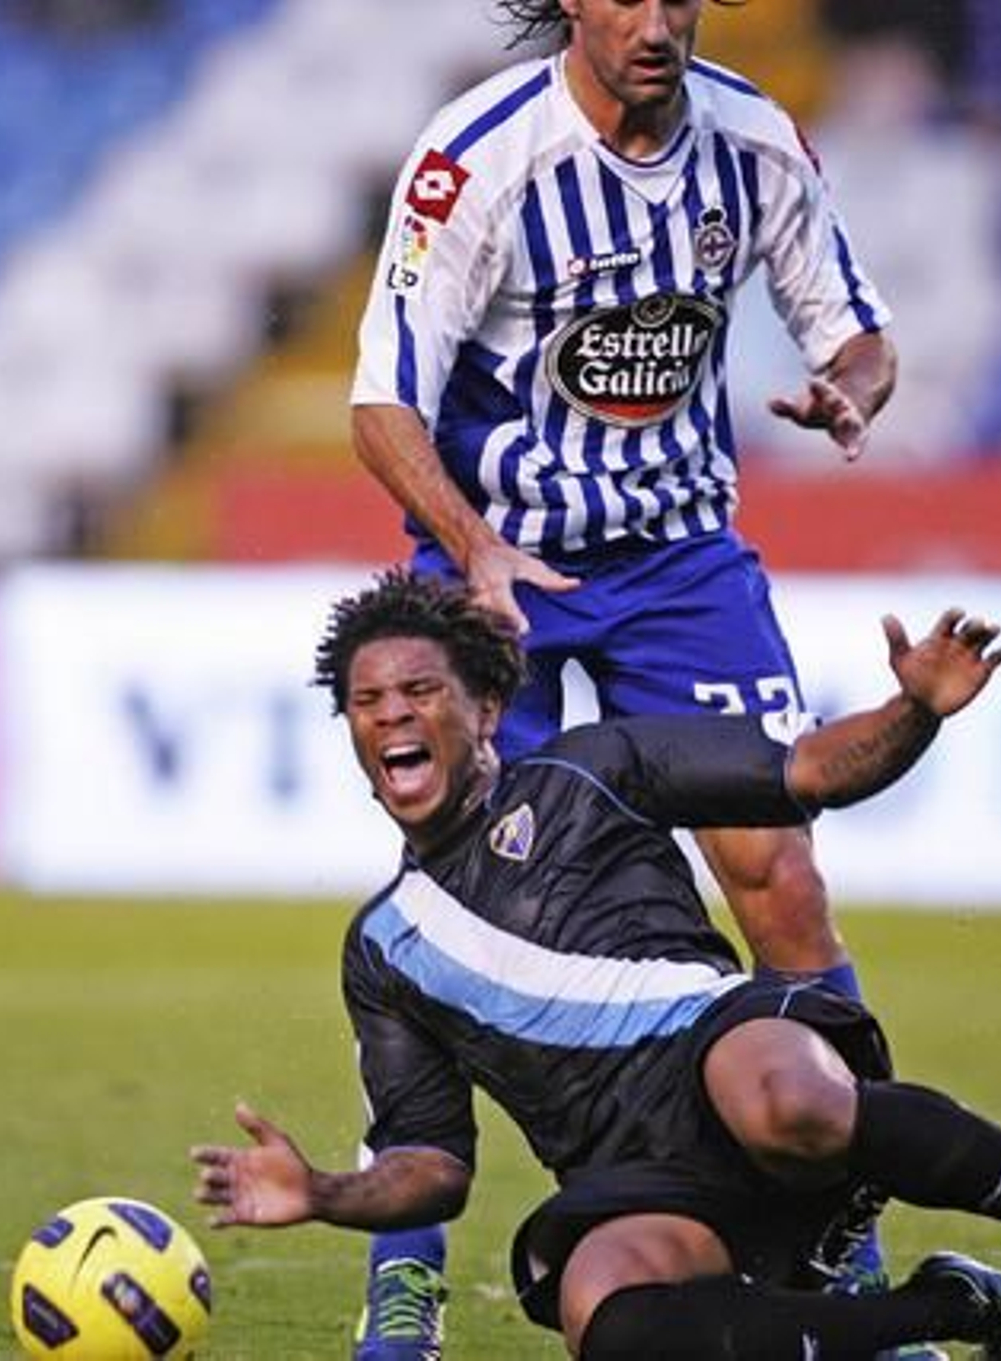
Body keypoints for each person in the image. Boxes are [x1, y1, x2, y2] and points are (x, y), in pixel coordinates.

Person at [189, 571, 1001, 1361]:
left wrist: (912, 713)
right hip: (640, 1179)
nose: (391, 715)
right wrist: (327, 1191)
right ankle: (946, 1310)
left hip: (726, 1047)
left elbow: (808, 770)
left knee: (778, 1094)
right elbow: (436, 1161)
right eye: (367, 703)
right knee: (601, 1310)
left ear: (483, 706)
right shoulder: (385, 946)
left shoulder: (591, 769)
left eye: (418, 691)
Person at [349, 0, 899, 1347]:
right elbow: (379, 405)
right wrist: (476, 551)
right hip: (497, 570)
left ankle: (846, 1225)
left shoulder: (753, 139)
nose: (655, 21)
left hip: (677, 562)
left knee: (780, 878)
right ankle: (405, 1266)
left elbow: (858, 331)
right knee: (458, 909)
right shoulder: (477, 159)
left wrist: (850, 390)